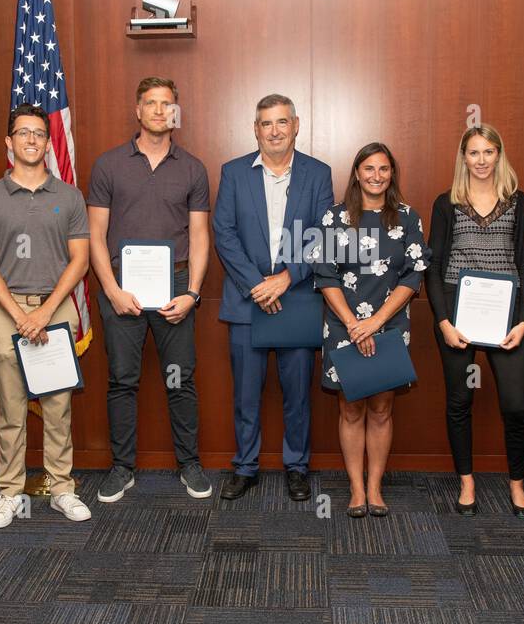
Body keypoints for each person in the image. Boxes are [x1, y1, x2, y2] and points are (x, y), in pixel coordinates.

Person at [88, 77, 212, 501]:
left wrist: (193, 292)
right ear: (137, 111)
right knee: (122, 380)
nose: (160, 111)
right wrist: (111, 290)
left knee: (181, 381)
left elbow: (199, 236)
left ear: (175, 112)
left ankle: (189, 463)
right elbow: (95, 235)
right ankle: (122, 467)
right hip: (121, 285)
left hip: (175, 284)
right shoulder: (108, 165)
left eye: (167, 104)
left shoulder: (193, 168)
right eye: (151, 104)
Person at [0, 103, 94, 528]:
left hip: (56, 307)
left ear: (47, 141)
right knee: (12, 408)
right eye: (23, 133)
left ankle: (62, 487)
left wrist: (43, 312)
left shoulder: (69, 196)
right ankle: (9, 491)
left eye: (39, 133)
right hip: (7, 310)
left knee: (59, 406)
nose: (31, 140)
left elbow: (79, 260)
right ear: (9, 142)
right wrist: (21, 314)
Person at [212, 94, 333, 501]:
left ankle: (296, 466)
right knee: (246, 393)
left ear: (296, 125)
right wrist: (256, 285)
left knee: (297, 393)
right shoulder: (233, 172)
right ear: (256, 129)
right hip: (248, 301)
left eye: (282, 122)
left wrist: (285, 278)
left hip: (295, 298)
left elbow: (322, 235)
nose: (275, 131)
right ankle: (245, 467)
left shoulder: (318, 173)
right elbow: (224, 234)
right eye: (267, 124)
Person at [314, 143, 429, 517]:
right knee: (350, 409)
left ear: (392, 174)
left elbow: (414, 274)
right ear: (357, 173)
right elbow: (324, 274)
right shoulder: (332, 218)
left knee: (381, 409)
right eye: (369, 168)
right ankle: (356, 489)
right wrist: (353, 323)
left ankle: (376, 488)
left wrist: (376, 323)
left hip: (390, 325)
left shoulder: (408, 218)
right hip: (342, 325)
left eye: (384, 169)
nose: (376, 176)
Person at [427, 125, 524, 518]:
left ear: (499, 155)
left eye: (489, 152)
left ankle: (517, 484)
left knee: (515, 405)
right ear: (463, 158)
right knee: (460, 401)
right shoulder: (446, 203)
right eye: (474, 153)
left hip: (506, 314)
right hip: (458, 311)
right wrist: (442, 321)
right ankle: (467, 481)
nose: (482, 160)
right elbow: (434, 266)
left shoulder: (519, 202)